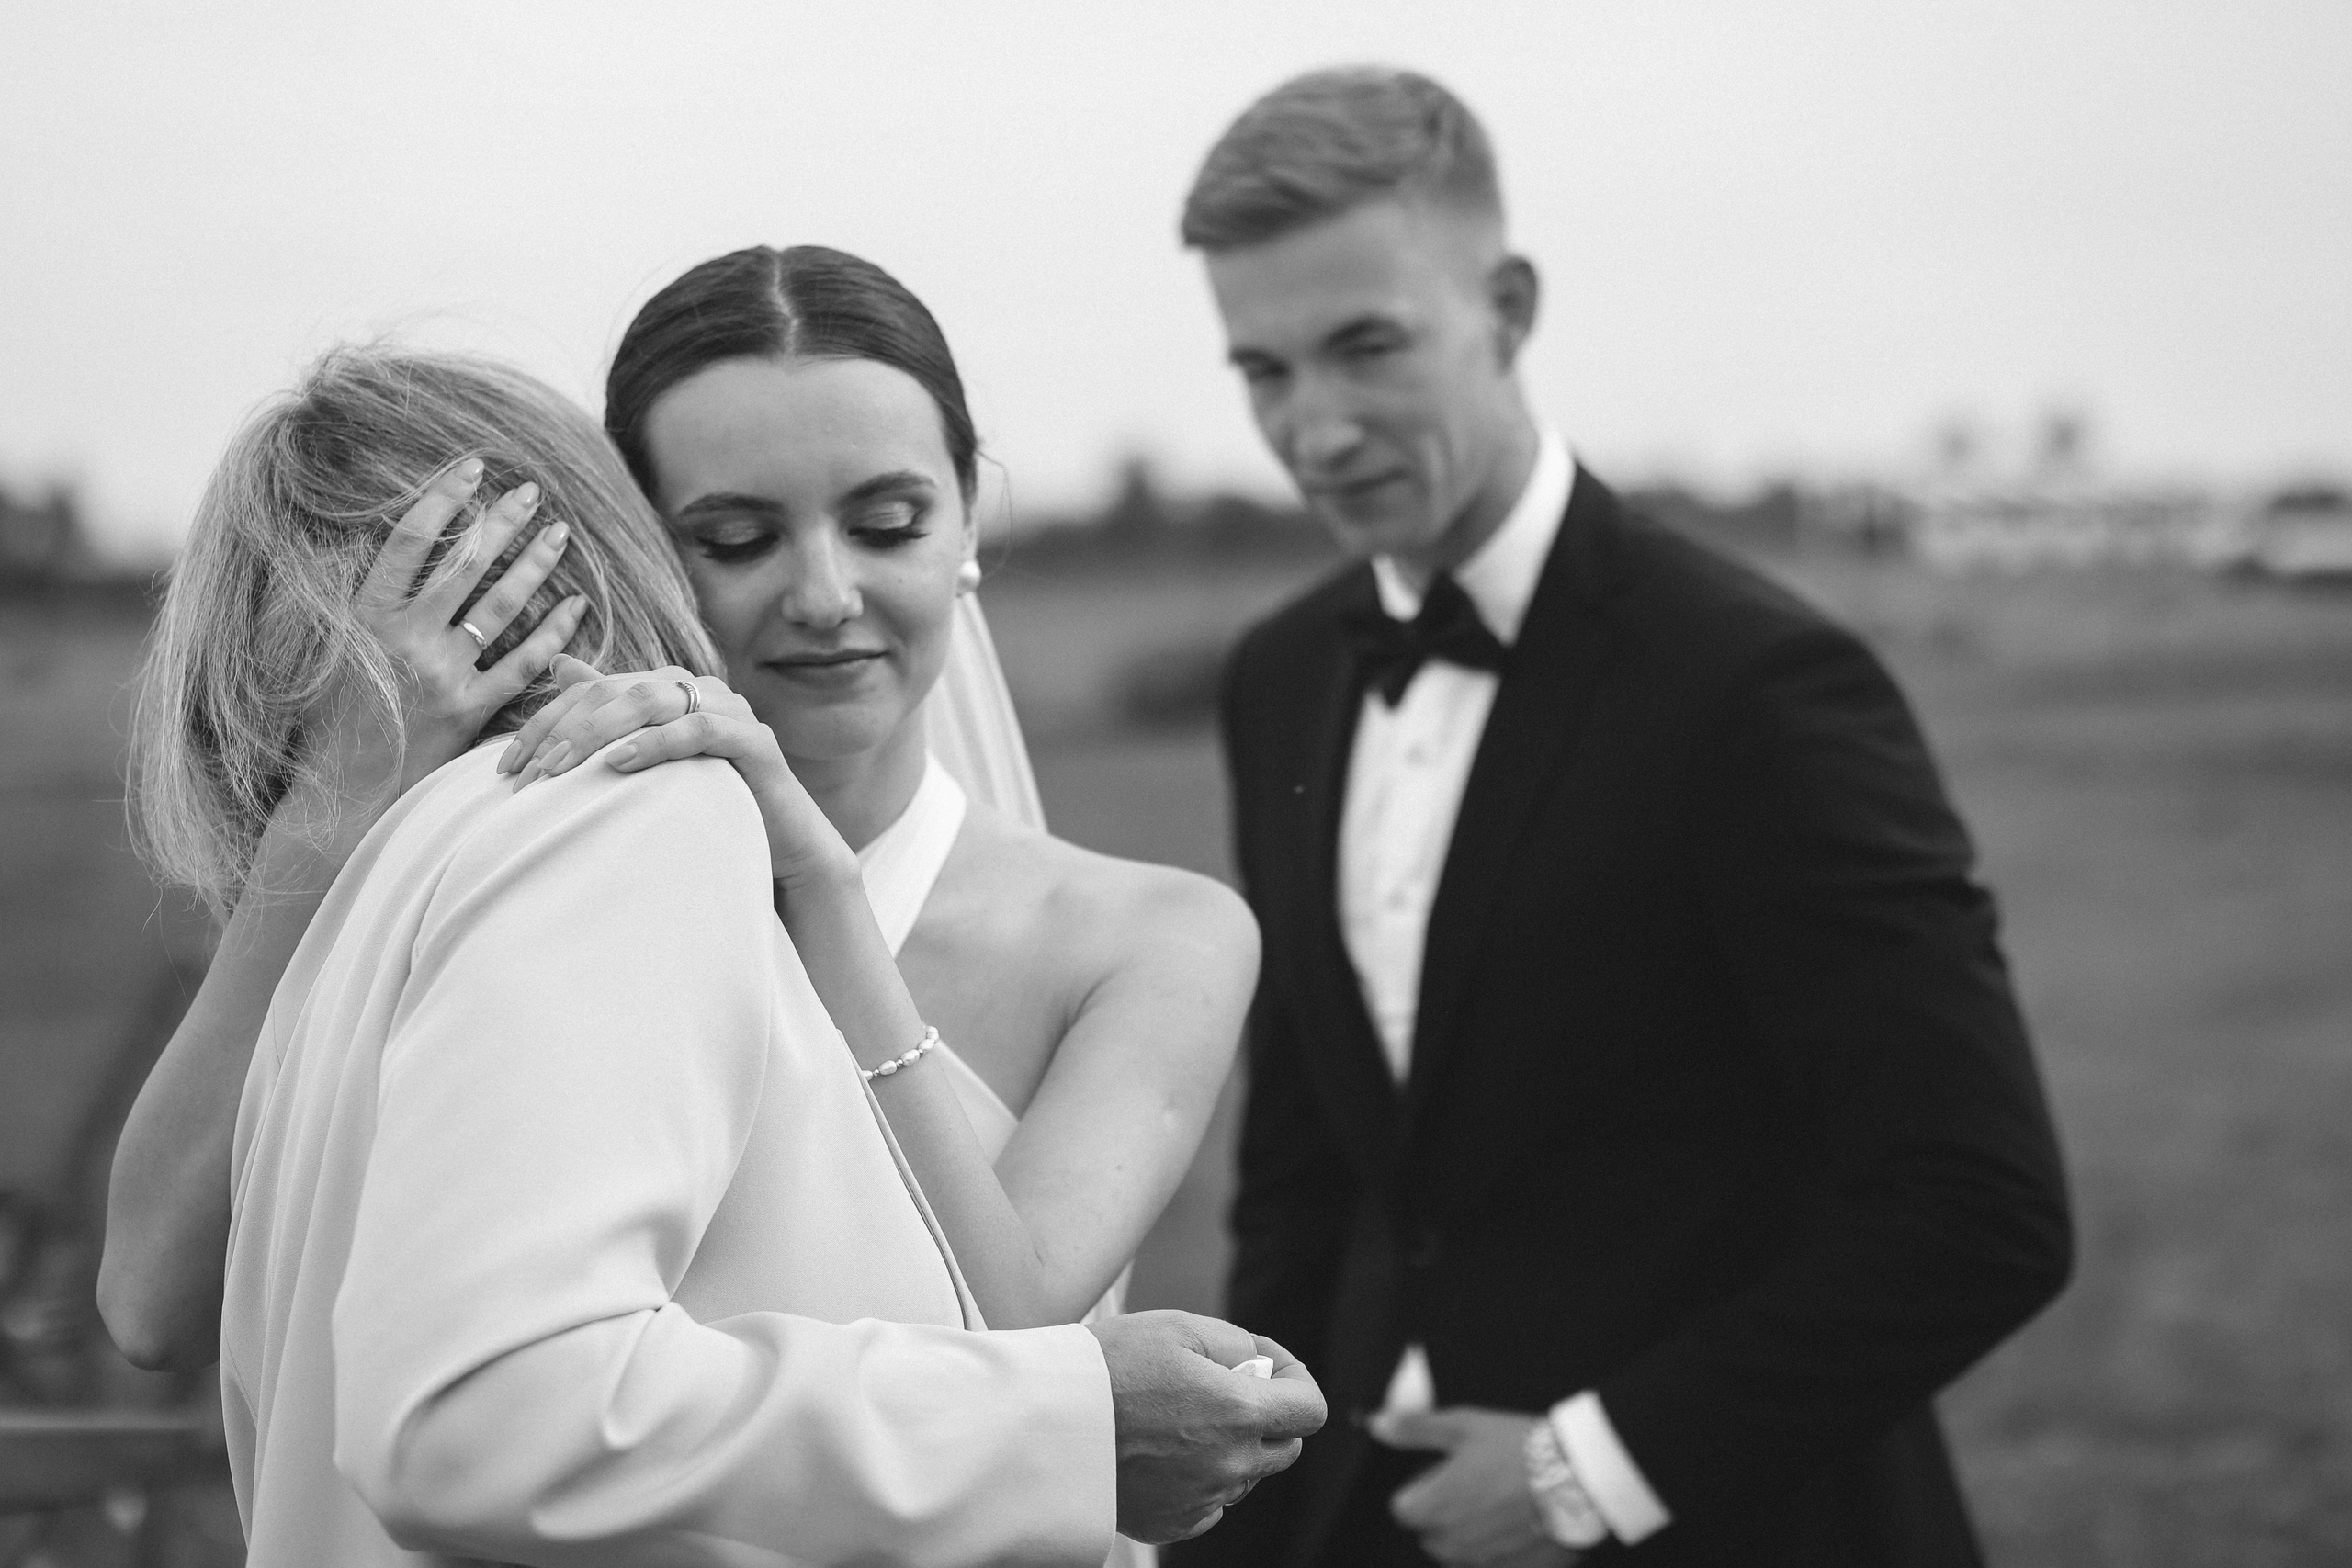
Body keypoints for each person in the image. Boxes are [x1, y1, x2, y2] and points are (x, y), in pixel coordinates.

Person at [113, 343, 1320, 1565]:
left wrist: (828, 895)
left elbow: (998, 1327)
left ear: (970, 517)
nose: (824, 596)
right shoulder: (585, 835)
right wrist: (331, 804)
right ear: (626, 539)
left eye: (889, 520)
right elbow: (244, 1328)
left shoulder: (1140, 931)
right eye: (736, 540)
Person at [1168, 68, 2074, 1567]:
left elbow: (1980, 1206)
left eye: (1366, 349)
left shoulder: (1757, 685)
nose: (1316, 431)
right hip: (1368, 1512)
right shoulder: (1281, 675)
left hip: (1735, 1517)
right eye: (1263, 372)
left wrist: (1589, 1472)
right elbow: (1311, 1169)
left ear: (1509, 308)